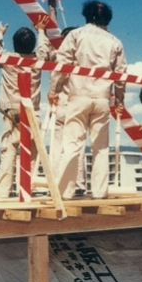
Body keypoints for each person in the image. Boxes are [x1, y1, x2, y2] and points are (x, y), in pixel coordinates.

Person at [48, 0, 127, 199]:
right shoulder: (115, 41)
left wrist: (54, 89)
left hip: (78, 94)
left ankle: (65, 191)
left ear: (87, 15)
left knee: (72, 144)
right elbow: (121, 74)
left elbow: (62, 64)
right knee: (100, 147)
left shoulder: (76, 35)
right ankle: (99, 191)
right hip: (102, 98)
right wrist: (119, 100)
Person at [0, 15, 51, 197]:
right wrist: (40, 30)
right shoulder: (37, 61)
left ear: (15, 44)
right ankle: (27, 188)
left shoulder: (8, 60)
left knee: (9, 149)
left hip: (11, 111)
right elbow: (43, 48)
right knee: (30, 152)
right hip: (32, 111)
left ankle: (2, 190)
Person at [47, 27, 87, 196]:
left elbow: (50, 59)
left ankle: (57, 182)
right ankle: (79, 184)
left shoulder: (61, 57)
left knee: (58, 146)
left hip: (63, 104)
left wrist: (52, 91)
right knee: (78, 147)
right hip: (80, 105)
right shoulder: (86, 60)